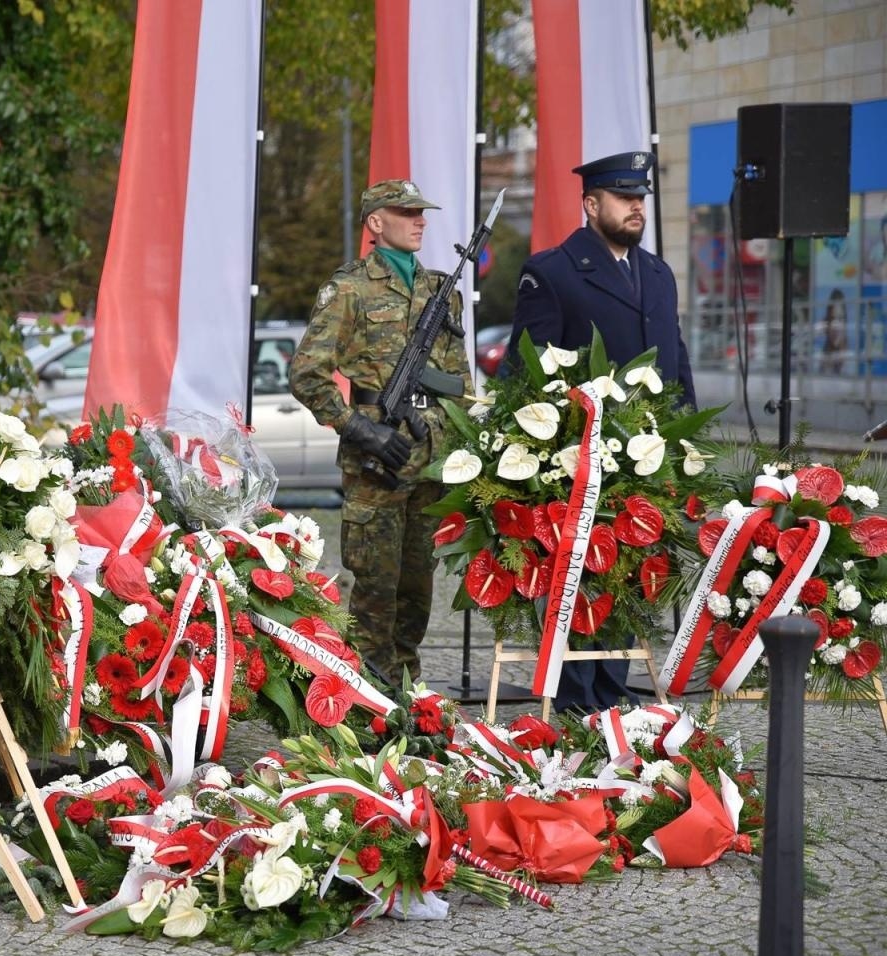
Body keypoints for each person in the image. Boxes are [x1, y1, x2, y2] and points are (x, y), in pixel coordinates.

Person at [505, 150, 694, 713]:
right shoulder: (552, 270)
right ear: (591, 204)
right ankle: (575, 700)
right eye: (623, 197)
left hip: (649, 458)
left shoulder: (658, 273)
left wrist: (684, 439)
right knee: (583, 581)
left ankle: (616, 697)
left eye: (640, 198)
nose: (637, 207)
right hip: (580, 462)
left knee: (635, 579)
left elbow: (675, 363)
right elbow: (526, 369)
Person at [289, 178, 468, 685]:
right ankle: (368, 701)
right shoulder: (349, 288)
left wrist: (466, 449)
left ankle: (410, 690)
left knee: (418, 585)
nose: (420, 221)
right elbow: (307, 373)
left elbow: (459, 379)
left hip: (431, 459)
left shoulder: (439, 289)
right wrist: (360, 431)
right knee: (374, 587)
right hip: (378, 462)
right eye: (407, 212)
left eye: (422, 213)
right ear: (375, 222)